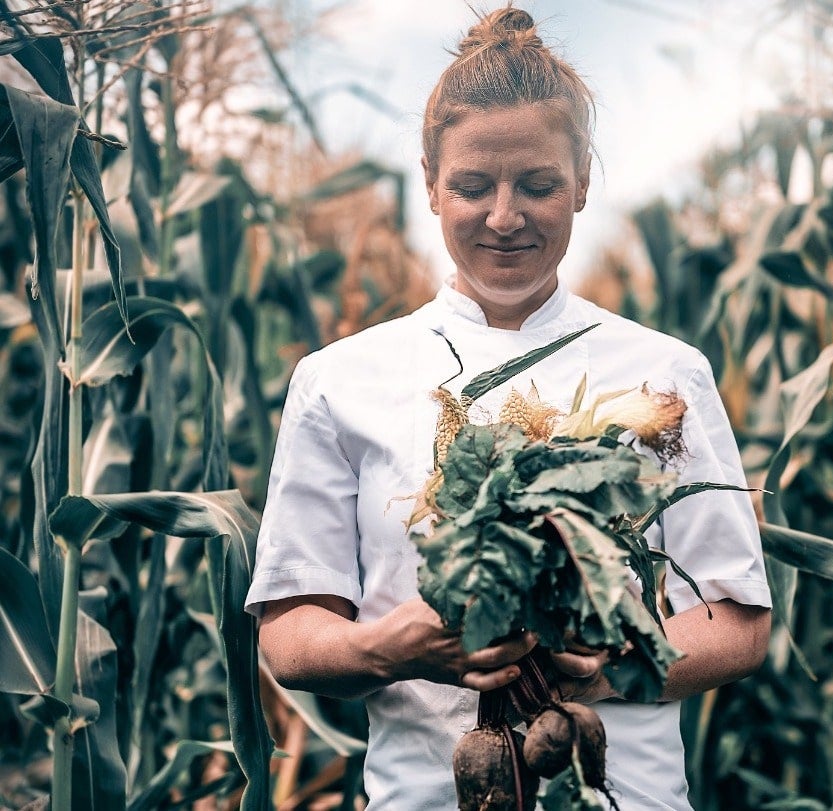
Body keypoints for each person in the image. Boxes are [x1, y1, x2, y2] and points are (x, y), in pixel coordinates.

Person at [245, 6, 772, 809]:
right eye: (471, 186)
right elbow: (289, 635)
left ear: (582, 183)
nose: (503, 215)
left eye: (537, 185)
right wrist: (394, 648)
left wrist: (610, 666)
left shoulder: (665, 374)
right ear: (429, 183)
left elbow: (736, 619)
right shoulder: (338, 379)